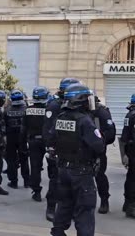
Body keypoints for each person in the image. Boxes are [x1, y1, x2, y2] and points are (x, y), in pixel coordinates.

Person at [50, 84, 105, 236]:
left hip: (63, 169)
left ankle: (57, 232)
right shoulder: (84, 121)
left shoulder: (60, 118)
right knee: (85, 210)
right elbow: (98, 146)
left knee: (64, 205)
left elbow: (52, 139)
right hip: (81, 172)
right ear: (80, 100)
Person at [43, 77, 80, 221]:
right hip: (57, 149)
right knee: (55, 180)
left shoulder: (75, 106)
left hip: (73, 150)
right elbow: (47, 128)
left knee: (71, 182)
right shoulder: (54, 105)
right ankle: (51, 207)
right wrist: (50, 147)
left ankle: (68, 209)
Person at [21, 86, 50, 202]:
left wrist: (22, 145)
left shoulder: (28, 110)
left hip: (33, 142)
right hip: (47, 142)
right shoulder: (49, 110)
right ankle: (52, 193)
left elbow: (23, 129)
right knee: (53, 167)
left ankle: (37, 192)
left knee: (35, 167)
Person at [91, 96, 116, 214]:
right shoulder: (79, 112)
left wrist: (98, 139)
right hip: (82, 151)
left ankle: (104, 200)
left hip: (98, 151)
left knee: (99, 175)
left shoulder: (102, 112)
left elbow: (110, 133)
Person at [5, 89, 29, 189]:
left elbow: (4, 124)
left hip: (11, 138)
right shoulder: (26, 109)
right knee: (24, 160)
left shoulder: (7, 109)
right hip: (23, 138)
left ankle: (13, 182)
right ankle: (27, 181)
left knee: (11, 160)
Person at [120, 94, 135, 219]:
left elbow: (124, 137)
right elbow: (125, 137)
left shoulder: (129, 115)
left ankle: (128, 203)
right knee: (132, 179)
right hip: (133, 150)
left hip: (131, 150)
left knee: (131, 177)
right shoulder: (132, 115)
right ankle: (131, 206)